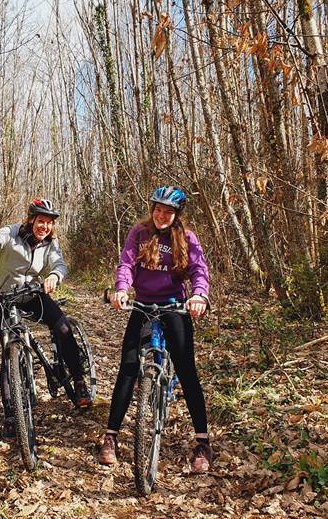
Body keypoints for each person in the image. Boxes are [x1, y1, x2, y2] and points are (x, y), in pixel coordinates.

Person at [0, 198, 92, 440]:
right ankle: (10, 415)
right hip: (6, 297)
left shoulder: (51, 243)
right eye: (41, 221)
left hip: (34, 295)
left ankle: (79, 380)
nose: (45, 227)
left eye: (49, 223)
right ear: (31, 220)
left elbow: (59, 263)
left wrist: (55, 277)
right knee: (9, 353)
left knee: (63, 329)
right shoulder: (13, 233)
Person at [98, 186, 213, 472]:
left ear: (177, 214)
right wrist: (122, 290)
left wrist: (199, 296)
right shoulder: (139, 233)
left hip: (175, 306)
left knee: (187, 370)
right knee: (127, 366)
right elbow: (126, 264)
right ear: (152, 209)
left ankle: (203, 442)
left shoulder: (186, 238)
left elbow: (200, 271)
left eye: (168, 211)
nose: (162, 215)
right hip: (143, 306)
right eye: (158, 209)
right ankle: (110, 436)